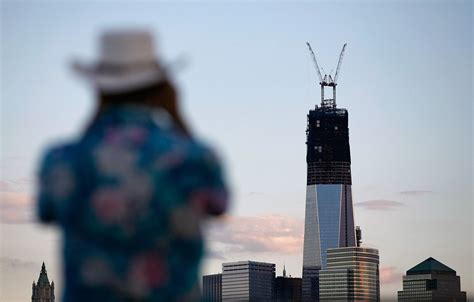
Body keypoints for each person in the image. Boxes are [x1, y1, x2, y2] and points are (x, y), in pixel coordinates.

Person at [36, 29, 229, 301]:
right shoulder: (195, 158)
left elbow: (46, 211)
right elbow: (219, 204)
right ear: (162, 90)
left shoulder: (61, 160)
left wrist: (97, 119)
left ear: (99, 88)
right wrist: (177, 117)